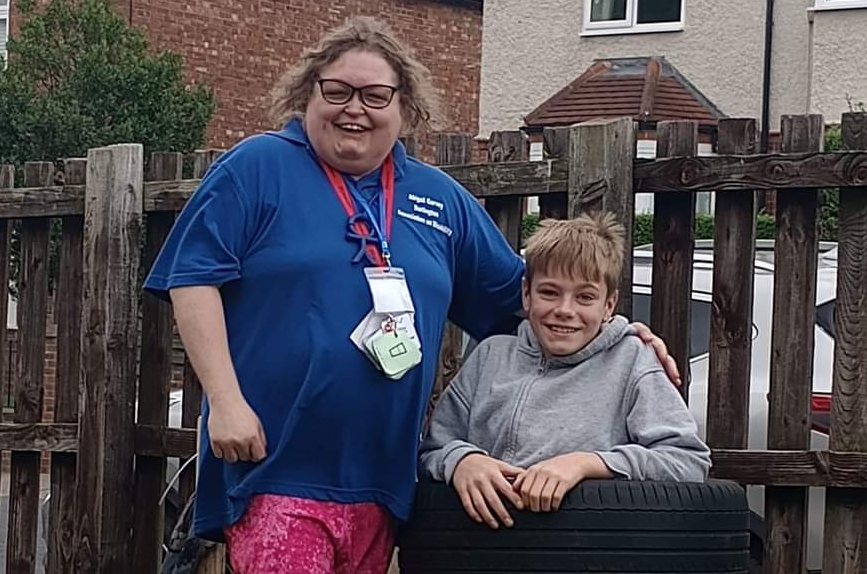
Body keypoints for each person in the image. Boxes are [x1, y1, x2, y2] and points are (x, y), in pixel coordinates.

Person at [144, 17, 680, 574]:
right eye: (337, 91)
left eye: (376, 95)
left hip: (382, 479)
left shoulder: (438, 198)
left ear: (406, 110)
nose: (355, 108)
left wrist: (621, 336)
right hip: (275, 467)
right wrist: (225, 404)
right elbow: (193, 278)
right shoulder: (256, 167)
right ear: (308, 94)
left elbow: (529, 301)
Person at [419, 213, 711, 531]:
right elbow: (433, 450)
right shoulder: (489, 356)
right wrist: (463, 461)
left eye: (585, 297)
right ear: (527, 294)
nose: (565, 310)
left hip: (583, 548)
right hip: (486, 549)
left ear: (609, 305)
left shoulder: (632, 363)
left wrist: (588, 463)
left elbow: (687, 460)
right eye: (549, 293)